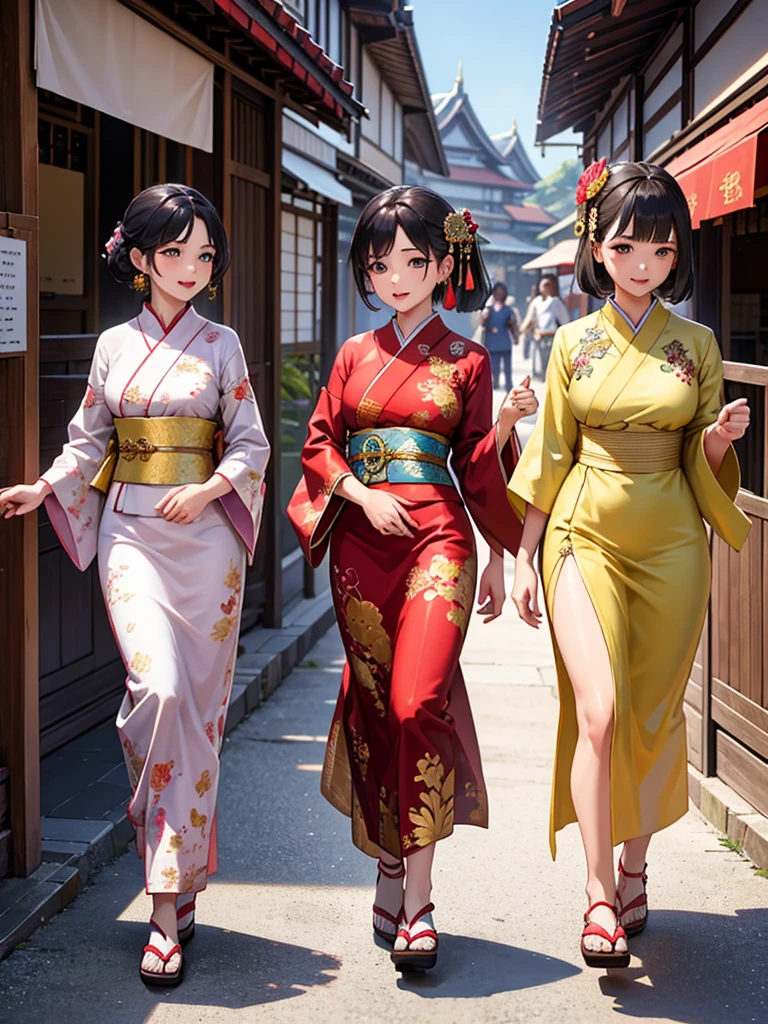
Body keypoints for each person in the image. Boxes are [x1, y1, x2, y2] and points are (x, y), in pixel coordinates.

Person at [0, 184, 270, 986]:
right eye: (175, 252)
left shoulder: (222, 345)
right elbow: (88, 438)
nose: (191, 267)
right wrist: (48, 487)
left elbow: (250, 444)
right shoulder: (115, 346)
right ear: (142, 257)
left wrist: (214, 487)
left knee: (196, 708)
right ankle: (166, 883)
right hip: (131, 536)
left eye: (204, 255)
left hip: (207, 540)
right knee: (155, 692)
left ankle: (172, 882)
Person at [287, 187, 537, 973]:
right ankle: (389, 860)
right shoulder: (352, 356)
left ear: (442, 265)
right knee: (374, 707)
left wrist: (504, 552)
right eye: (380, 263)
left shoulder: (468, 360)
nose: (396, 276)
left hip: (439, 542)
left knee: (416, 699)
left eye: (413, 261)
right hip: (363, 545)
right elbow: (320, 445)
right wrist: (360, 495)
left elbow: (474, 466)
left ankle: (420, 901)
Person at [508, 159, 750, 969]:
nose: (642, 262)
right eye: (625, 246)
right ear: (598, 250)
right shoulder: (570, 344)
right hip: (583, 530)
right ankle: (598, 893)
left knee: (650, 713)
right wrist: (522, 550)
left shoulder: (699, 344)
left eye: (659, 247)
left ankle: (637, 866)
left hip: (674, 537)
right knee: (602, 709)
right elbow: (548, 451)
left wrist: (718, 441)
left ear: (677, 253)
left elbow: (703, 452)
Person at [519, 274, 570, 378]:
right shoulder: (537, 301)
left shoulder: (555, 302)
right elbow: (530, 317)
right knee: (538, 366)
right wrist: (523, 328)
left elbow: (566, 321)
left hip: (550, 336)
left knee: (549, 367)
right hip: (538, 337)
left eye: (548, 285)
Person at [480, 281, 519, 389]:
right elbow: (482, 324)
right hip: (491, 342)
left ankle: (508, 384)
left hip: (504, 341)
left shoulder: (508, 310)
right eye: (497, 292)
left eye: (502, 293)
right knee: (494, 365)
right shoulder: (488, 310)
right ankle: (495, 383)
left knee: (507, 366)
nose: (499, 295)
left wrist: (516, 337)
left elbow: (512, 325)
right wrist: (484, 317)